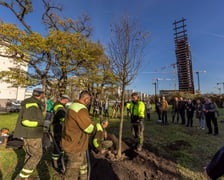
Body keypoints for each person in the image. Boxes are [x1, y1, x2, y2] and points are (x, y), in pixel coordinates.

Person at [61, 90, 94, 180]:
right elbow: (89, 128)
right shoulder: (81, 109)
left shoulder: (72, 106)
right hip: (76, 146)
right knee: (71, 174)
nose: (89, 102)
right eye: (89, 100)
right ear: (86, 99)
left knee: (83, 167)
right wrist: (92, 123)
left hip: (71, 142)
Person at [14, 88, 45, 179]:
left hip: (29, 134)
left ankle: (26, 177)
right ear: (41, 95)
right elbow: (26, 121)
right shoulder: (33, 105)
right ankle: (21, 177)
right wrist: (41, 123)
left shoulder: (31, 103)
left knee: (29, 155)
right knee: (37, 155)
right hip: (32, 135)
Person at [51, 94, 70, 171]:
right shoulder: (58, 106)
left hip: (61, 127)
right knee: (57, 144)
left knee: (61, 144)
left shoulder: (62, 106)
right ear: (64, 99)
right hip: (58, 127)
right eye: (67, 100)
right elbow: (61, 116)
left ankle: (60, 158)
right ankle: (55, 161)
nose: (67, 102)